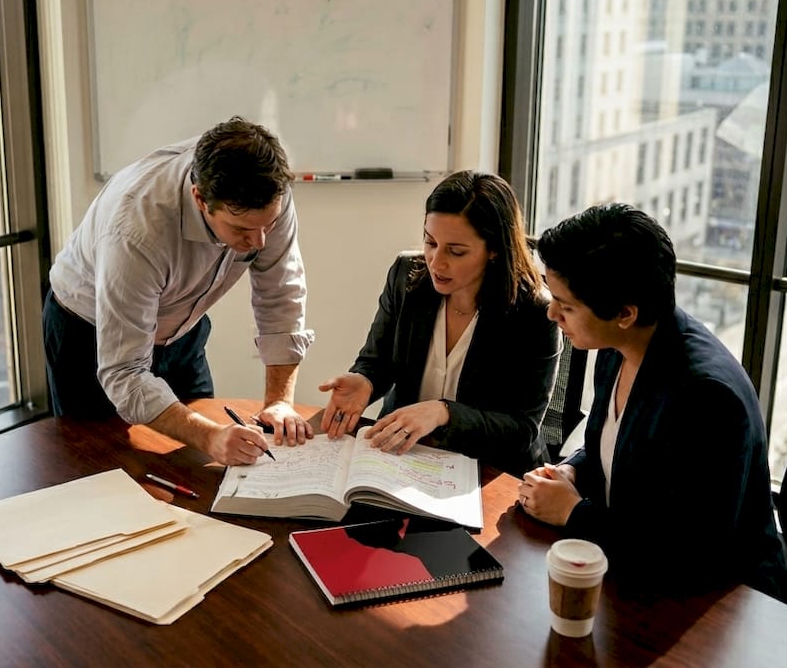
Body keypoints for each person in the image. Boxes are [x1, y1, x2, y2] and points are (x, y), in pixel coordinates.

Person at [517, 203, 787, 603]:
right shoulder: (618, 345)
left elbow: (688, 554)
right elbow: (614, 449)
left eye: (567, 305)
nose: (551, 312)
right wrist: (571, 472)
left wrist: (573, 513)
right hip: (631, 577)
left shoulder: (707, 397)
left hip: (722, 608)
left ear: (625, 313)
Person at [45, 117, 315, 466]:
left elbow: (281, 295)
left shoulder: (267, 194)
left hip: (183, 330)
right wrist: (209, 435)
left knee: (199, 466)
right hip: (89, 334)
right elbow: (125, 373)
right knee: (98, 469)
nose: (259, 242)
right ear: (200, 198)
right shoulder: (137, 232)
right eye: (242, 230)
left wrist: (279, 401)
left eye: (269, 225)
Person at [319, 171, 560, 478]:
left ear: (494, 249)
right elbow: (376, 361)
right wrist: (365, 380)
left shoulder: (535, 312)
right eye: (430, 242)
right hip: (404, 456)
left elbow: (521, 429)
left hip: (488, 472)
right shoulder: (407, 276)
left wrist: (444, 412)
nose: (436, 262)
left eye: (456, 251)